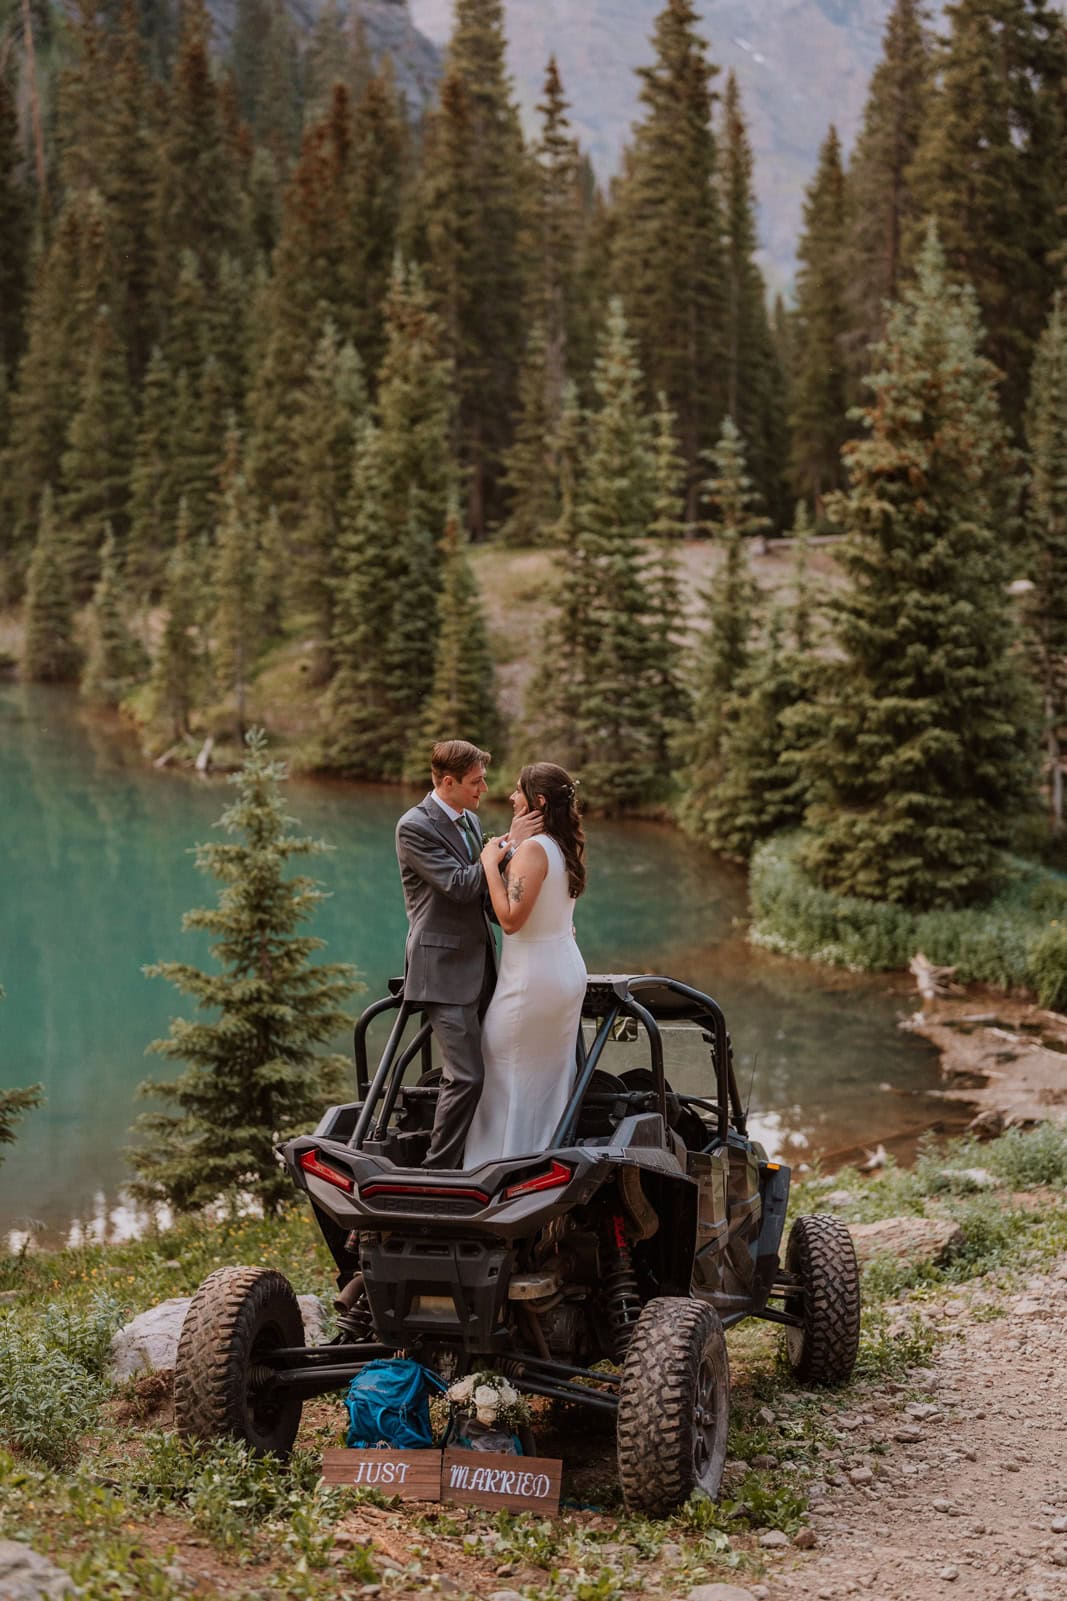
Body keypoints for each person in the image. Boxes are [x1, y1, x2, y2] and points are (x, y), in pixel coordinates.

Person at [395, 739, 543, 1169]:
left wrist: (526, 920)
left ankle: (478, 1160)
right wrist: (505, 847)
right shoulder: (414, 826)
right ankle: (435, 1171)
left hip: (482, 965)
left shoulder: (470, 821)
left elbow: (483, 894)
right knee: (466, 1075)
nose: (484, 788)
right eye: (476, 781)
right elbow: (460, 884)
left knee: (494, 1070)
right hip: (441, 971)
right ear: (447, 782)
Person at [463, 762, 587, 1168]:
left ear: (537, 801)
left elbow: (511, 921)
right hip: (562, 970)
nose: (511, 797)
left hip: (532, 980)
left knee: (505, 1073)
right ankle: (540, 1169)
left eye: (518, 791)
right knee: (545, 1082)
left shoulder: (534, 850)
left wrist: (487, 863)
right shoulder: (563, 846)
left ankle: (496, 1174)